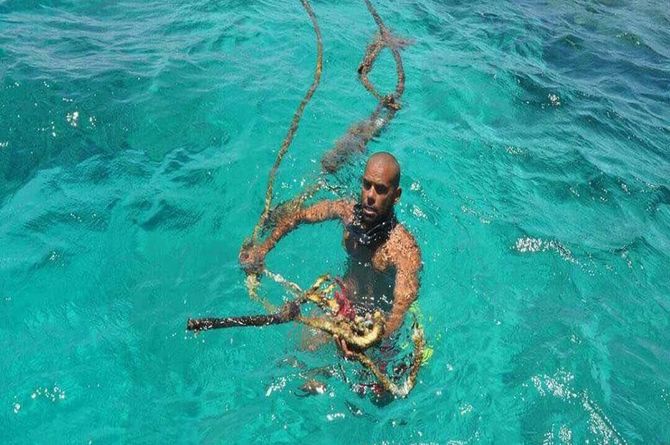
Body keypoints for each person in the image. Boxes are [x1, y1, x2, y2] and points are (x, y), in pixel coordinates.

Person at [239, 152, 422, 357]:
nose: (370, 196)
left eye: (380, 190)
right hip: (343, 302)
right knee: (302, 354)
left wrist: (366, 342)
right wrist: (262, 250)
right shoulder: (346, 212)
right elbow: (299, 217)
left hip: (378, 323)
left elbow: (399, 310)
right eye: (366, 185)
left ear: (396, 196)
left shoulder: (403, 248)